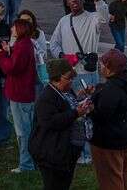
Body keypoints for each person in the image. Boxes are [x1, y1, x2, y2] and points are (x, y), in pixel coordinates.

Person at [32, 58, 89, 190]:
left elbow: (70, 106)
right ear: (57, 78)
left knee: (64, 184)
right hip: (52, 153)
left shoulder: (65, 91)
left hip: (66, 151)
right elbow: (50, 122)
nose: (71, 81)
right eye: (68, 78)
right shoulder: (46, 98)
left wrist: (81, 101)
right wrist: (76, 113)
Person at [88, 48, 127, 190]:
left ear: (110, 68)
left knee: (111, 180)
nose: (100, 66)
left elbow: (102, 116)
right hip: (125, 135)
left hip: (109, 142)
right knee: (123, 176)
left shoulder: (111, 90)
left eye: (102, 64)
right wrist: (97, 92)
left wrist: (89, 109)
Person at [0, 16, 40, 174]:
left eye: (14, 27)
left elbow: (12, 68)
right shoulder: (25, 45)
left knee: (23, 132)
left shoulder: (22, 46)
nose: (11, 29)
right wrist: (9, 51)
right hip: (24, 94)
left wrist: (2, 56)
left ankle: (26, 164)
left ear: (20, 29)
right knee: (27, 129)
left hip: (19, 95)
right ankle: (31, 161)